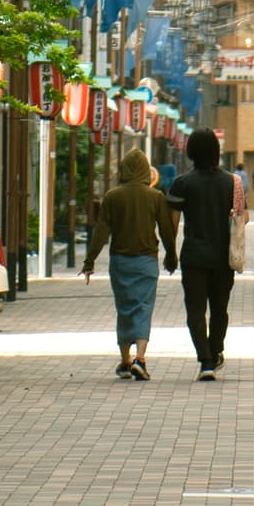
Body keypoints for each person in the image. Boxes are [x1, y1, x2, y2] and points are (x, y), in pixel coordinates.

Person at [164, 127, 247, 380]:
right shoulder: (232, 182)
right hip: (223, 258)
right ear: (216, 151)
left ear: (190, 152)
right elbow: (244, 217)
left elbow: (172, 224)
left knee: (195, 310)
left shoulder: (182, 183)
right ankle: (216, 349)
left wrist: (170, 253)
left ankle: (206, 361)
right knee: (220, 308)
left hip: (194, 257)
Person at [85, 148, 173, 379]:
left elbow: (101, 231)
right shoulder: (155, 197)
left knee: (124, 308)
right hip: (146, 260)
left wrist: (89, 260)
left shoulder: (113, 196)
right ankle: (140, 359)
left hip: (120, 261)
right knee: (144, 307)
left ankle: (125, 360)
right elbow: (166, 229)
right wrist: (172, 256)